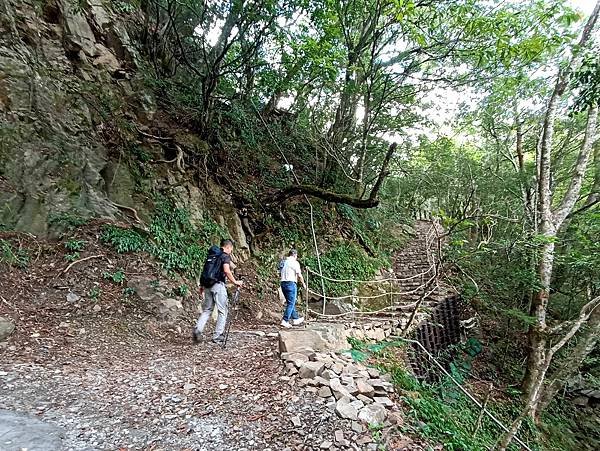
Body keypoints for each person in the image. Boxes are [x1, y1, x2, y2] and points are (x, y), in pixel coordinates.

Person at [193, 239, 243, 343]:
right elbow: (226, 270)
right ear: (228, 247)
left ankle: (198, 329)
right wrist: (235, 282)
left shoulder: (212, 256)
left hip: (207, 285)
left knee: (207, 310)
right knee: (222, 310)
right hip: (218, 285)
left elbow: (206, 271)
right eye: (231, 249)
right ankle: (218, 335)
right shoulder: (224, 256)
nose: (230, 252)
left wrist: (202, 287)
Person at [280, 249, 307, 328]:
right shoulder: (294, 262)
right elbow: (299, 275)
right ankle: (285, 320)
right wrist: (304, 284)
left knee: (290, 302)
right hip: (290, 283)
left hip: (283, 283)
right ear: (295, 255)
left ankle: (295, 319)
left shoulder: (284, 261)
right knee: (291, 303)